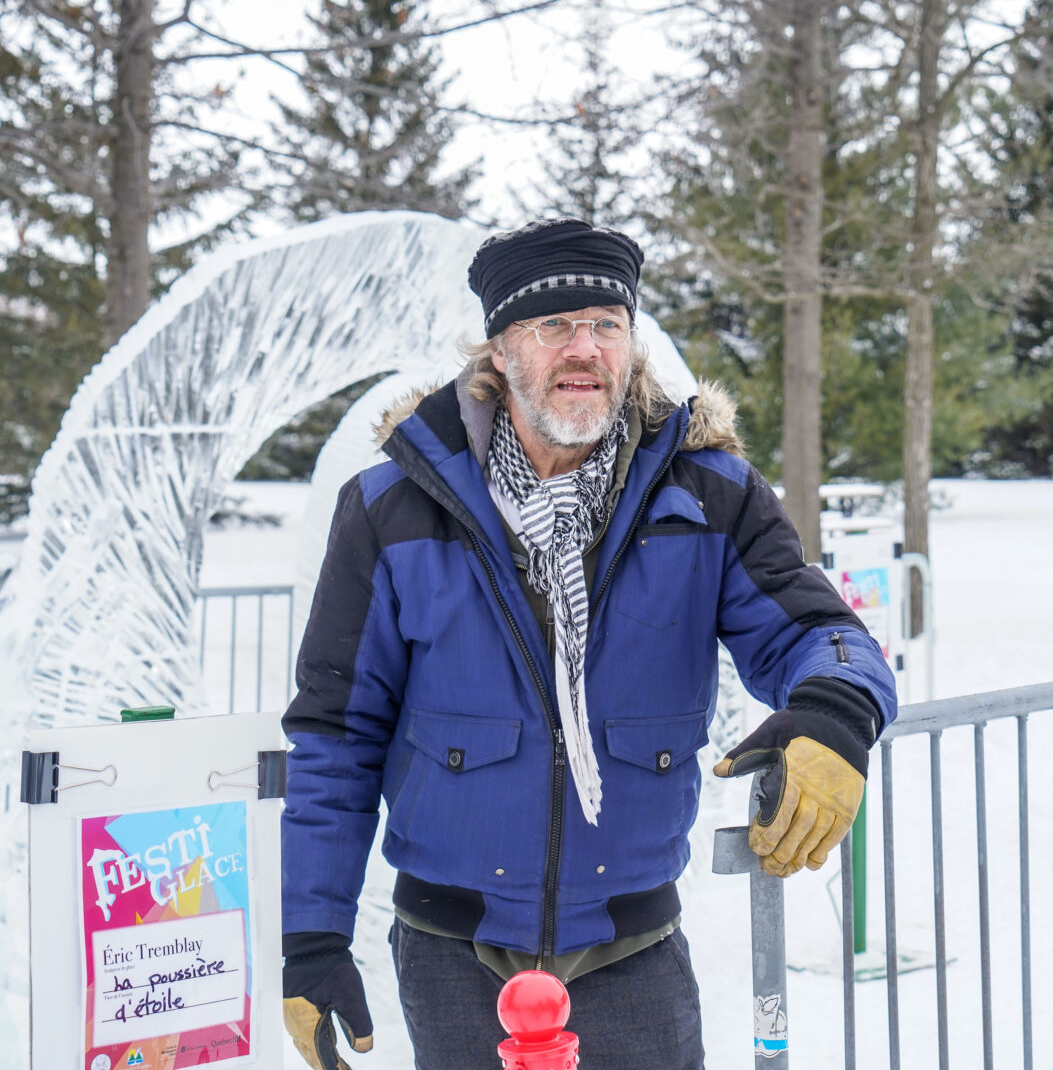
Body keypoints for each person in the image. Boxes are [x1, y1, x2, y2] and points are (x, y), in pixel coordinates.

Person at [279, 218, 897, 1070]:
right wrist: (313, 939)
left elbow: (816, 630)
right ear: (499, 349)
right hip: (452, 960)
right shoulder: (392, 509)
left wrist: (837, 712)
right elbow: (337, 736)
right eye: (554, 326)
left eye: (607, 324)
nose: (586, 349)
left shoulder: (706, 495)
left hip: (631, 952)